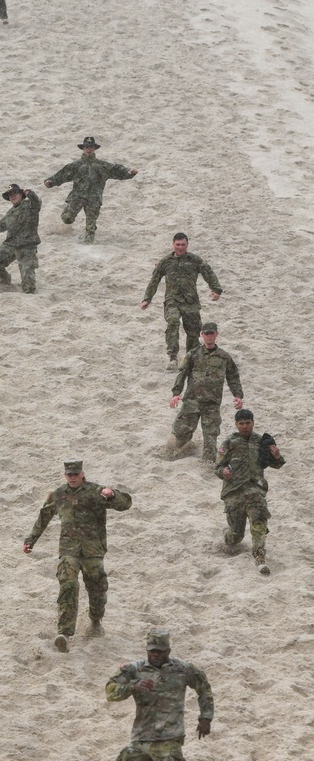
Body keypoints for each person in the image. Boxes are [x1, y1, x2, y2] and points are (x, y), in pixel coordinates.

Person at [106, 628, 214, 761]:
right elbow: (110, 691)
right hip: (141, 740)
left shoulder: (182, 669)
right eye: (152, 651)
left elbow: (203, 686)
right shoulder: (134, 670)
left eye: (160, 651)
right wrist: (132, 687)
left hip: (169, 740)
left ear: (168, 651)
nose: (156, 655)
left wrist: (205, 717)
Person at [23, 460, 133, 650]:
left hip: (93, 551)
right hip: (69, 550)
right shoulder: (58, 495)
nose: (72, 478)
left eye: (75, 474)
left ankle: (95, 620)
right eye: (69, 475)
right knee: (68, 584)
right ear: (65, 475)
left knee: (97, 589)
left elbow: (126, 503)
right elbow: (43, 517)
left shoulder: (96, 492)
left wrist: (112, 494)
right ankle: (64, 633)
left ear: (82, 474)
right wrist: (30, 540)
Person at [215, 409, 285, 573]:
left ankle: (260, 558)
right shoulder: (229, 443)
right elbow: (218, 467)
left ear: (253, 423)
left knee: (259, 523)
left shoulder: (261, 441)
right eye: (241, 423)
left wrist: (277, 456)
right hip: (234, 492)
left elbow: (276, 464)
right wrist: (223, 472)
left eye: (248, 423)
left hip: (255, 491)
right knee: (236, 536)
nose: (245, 426)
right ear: (236, 424)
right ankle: (228, 535)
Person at [141, 233, 223, 366]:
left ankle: (190, 357)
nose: (180, 247)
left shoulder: (195, 260)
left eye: (183, 245)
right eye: (178, 245)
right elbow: (154, 280)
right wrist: (147, 299)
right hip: (172, 300)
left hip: (191, 301)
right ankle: (173, 357)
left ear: (187, 245)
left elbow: (209, 273)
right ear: (173, 245)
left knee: (193, 331)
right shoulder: (165, 262)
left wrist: (216, 290)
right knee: (173, 322)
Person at [169, 322, 244, 463]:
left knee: (211, 436)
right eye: (206, 334)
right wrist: (176, 393)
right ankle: (177, 451)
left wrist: (238, 396)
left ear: (216, 334)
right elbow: (182, 374)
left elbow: (233, 377)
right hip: (192, 401)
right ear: (201, 335)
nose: (209, 336)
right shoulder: (193, 354)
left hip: (211, 403)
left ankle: (208, 464)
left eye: (212, 333)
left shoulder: (224, 357)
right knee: (181, 433)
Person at [43, 134, 136, 243]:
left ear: (94, 148)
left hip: (94, 199)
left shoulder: (102, 166)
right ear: (83, 148)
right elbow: (62, 175)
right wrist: (50, 182)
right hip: (77, 197)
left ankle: (88, 245)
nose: (88, 149)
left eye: (91, 147)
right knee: (67, 218)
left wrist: (128, 173)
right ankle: (64, 225)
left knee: (90, 226)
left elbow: (116, 170)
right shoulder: (76, 165)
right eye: (86, 147)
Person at [0, 183, 41, 292]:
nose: (12, 196)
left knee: (29, 286)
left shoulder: (29, 205)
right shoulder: (10, 213)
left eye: (15, 193)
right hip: (11, 245)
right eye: (10, 195)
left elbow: (37, 203)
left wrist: (30, 194)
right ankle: (5, 279)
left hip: (27, 245)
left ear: (21, 194)